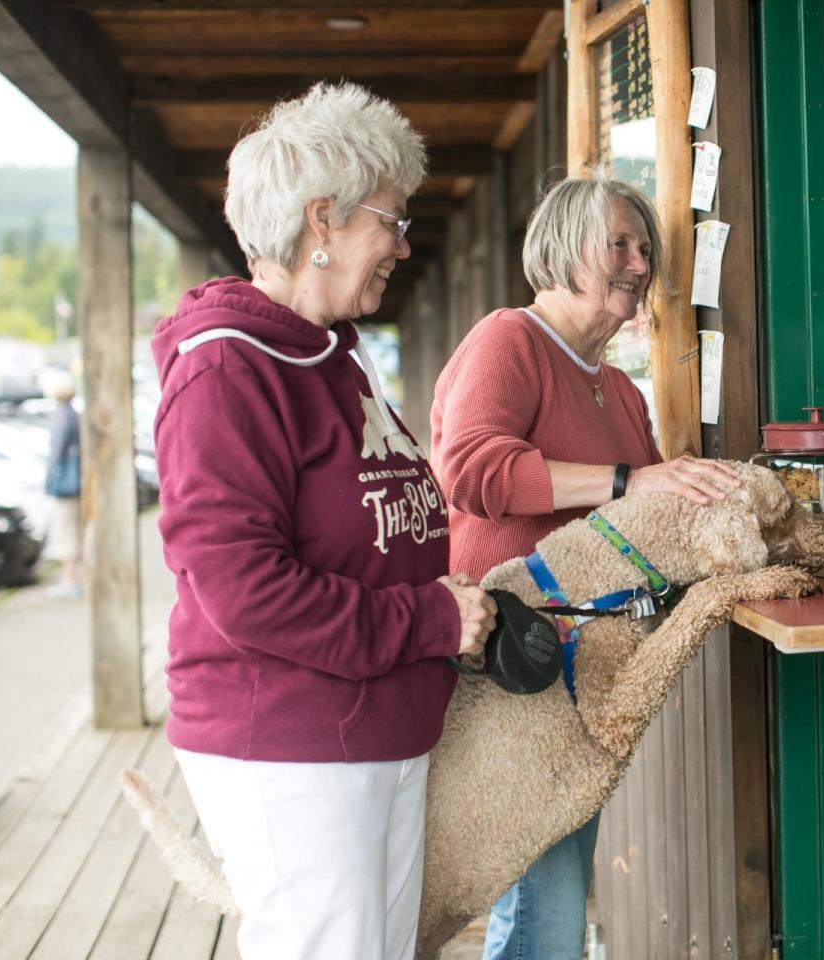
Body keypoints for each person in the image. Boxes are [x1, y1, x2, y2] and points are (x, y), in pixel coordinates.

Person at [150, 82, 498, 960]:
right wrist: (431, 618)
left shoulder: (335, 354)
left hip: (374, 731)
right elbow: (247, 593)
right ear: (322, 220)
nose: (401, 245)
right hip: (291, 746)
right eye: (392, 220)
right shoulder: (229, 373)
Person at [430, 176, 741, 960]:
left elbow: (653, 512)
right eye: (620, 244)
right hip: (512, 662)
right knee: (548, 903)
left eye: (646, 248)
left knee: (552, 891)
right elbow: (469, 469)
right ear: (564, 249)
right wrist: (627, 481)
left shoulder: (621, 391)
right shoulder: (511, 339)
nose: (639, 262)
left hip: (580, 678)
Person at [42, 369, 83, 599]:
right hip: (76, 481)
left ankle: (69, 580)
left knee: (66, 530)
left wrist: (50, 480)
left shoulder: (61, 417)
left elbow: (56, 453)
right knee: (76, 530)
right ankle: (79, 577)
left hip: (64, 485)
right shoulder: (74, 414)